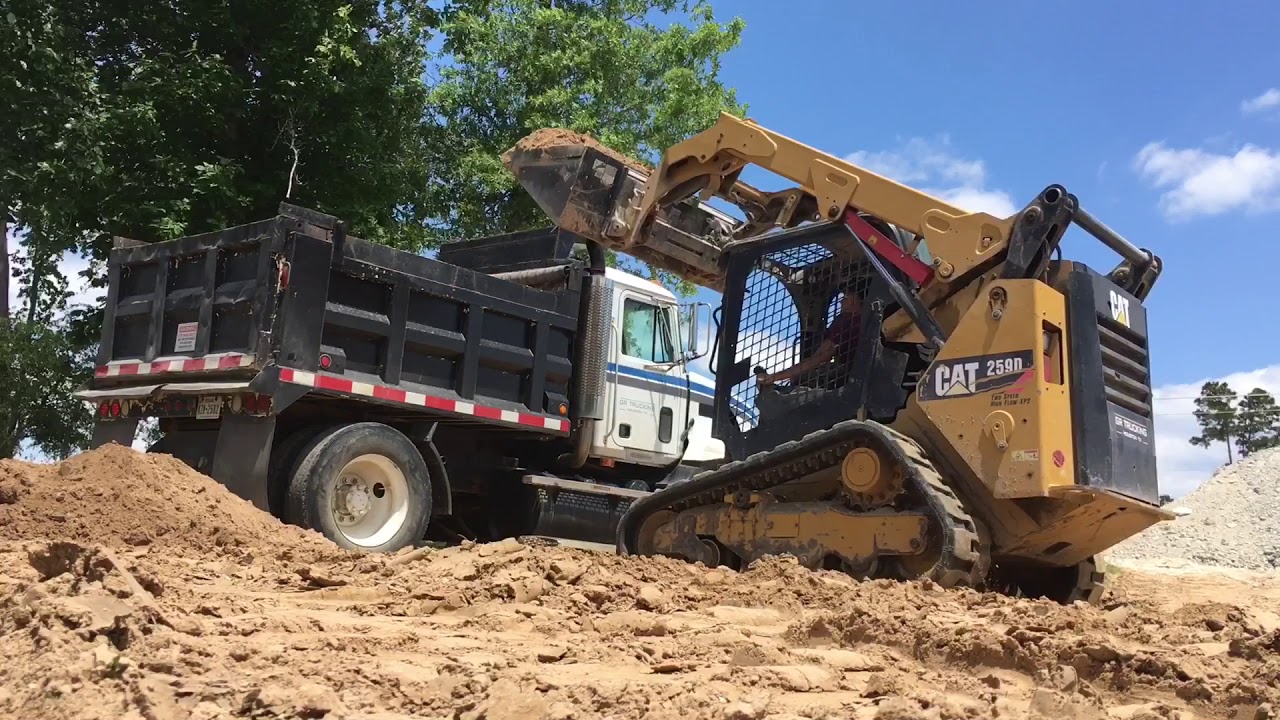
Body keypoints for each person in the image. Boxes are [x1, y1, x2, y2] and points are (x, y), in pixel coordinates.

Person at [755, 290, 863, 417]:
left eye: (845, 297)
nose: (841, 301)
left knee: (803, 388)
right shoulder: (867, 322)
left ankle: (776, 397)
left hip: (848, 384)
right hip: (856, 382)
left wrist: (774, 377)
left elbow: (819, 358)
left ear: (854, 300)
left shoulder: (847, 321)